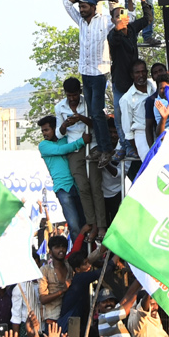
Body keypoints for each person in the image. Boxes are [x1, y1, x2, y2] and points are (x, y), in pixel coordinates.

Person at [63, 0, 112, 166]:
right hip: (86, 72)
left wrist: (114, 0)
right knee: (92, 112)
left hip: (99, 72)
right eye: (80, 7)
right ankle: (100, 147)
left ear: (93, 7)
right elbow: (66, 3)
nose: (81, 10)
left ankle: (106, 149)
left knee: (98, 112)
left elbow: (125, 18)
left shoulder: (105, 20)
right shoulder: (81, 21)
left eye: (84, 7)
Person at [55, 77, 106, 241]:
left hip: (91, 146)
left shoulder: (88, 103)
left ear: (80, 92)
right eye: (69, 96)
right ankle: (92, 224)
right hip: (74, 149)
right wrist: (65, 125)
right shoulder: (59, 107)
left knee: (95, 186)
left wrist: (81, 118)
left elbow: (97, 122)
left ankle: (102, 226)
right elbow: (58, 133)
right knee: (83, 187)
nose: (72, 98)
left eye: (75, 95)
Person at [107, 0, 153, 159]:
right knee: (119, 115)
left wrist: (143, 1)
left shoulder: (132, 28)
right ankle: (125, 145)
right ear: (113, 20)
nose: (121, 17)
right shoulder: (113, 35)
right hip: (120, 81)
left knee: (137, 114)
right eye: (117, 16)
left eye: (123, 13)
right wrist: (117, 29)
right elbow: (113, 39)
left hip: (135, 80)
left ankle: (131, 145)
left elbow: (148, 19)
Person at [37, 115, 88, 241]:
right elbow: (61, 150)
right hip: (62, 188)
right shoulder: (43, 145)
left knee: (85, 222)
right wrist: (82, 141)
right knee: (74, 225)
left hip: (77, 184)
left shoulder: (65, 138)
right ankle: (78, 253)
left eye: (46, 130)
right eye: (43, 131)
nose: (44, 133)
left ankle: (87, 252)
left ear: (55, 128)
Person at [119, 59, 156, 161]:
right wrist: (137, 149)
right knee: (150, 165)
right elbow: (127, 130)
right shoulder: (126, 99)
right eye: (137, 72)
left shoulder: (155, 86)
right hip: (142, 134)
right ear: (132, 75)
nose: (141, 75)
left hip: (159, 130)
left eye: (143, 71)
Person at [38, 235, 73, 323]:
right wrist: (62, 290)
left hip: (69, 316)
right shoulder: (44, 270)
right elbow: (43, 299)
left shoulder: (70, 266)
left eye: (63, 247)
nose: (61, 250)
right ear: (50, 252)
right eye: (57, 247)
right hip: (52, 319)